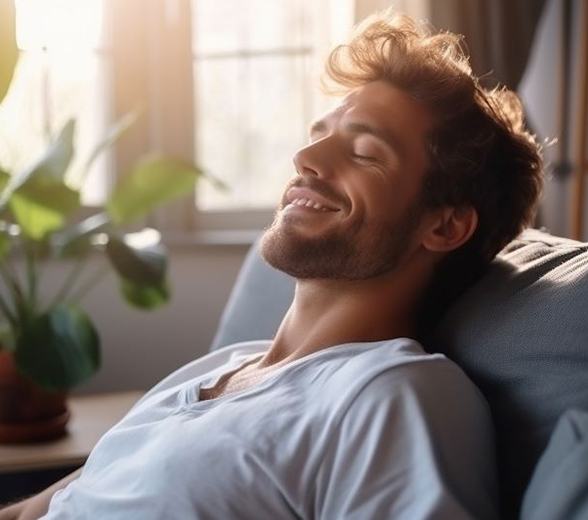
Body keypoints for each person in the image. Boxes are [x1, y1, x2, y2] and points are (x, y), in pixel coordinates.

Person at [1, 10, 542, 520]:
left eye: (364, 154)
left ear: (444, 226)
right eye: (319, 135)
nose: (307, 159)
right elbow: (41, 509)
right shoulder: (215, 370)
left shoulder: (394, 396)